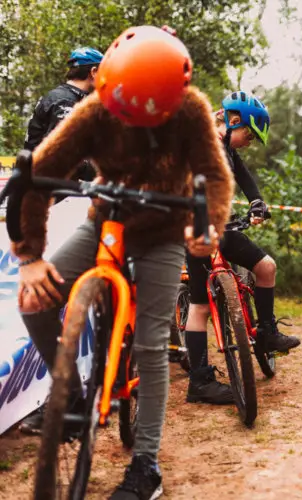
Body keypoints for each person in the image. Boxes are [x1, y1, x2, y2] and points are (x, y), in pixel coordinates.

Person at [13, 25, 234, 499]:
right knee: (34, 300)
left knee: (153, 346)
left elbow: (215, 176)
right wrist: (30, 256)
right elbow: (39, 174)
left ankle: (146, 465)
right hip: (105, 221)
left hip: (163, 233)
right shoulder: (92, 109)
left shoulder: (191, 110)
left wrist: (207, 226)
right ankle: (68, 389)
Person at [183, 91, 301, 405]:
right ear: (234, 121)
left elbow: (244, 175)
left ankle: (266, 332)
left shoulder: (224, 146)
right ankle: (199, 381)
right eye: (248, 135)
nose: (249, 142)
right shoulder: (201, 141)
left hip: (219, 228)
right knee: (199, 307)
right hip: (194, 229)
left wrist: (257, 203)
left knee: (266, 267)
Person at [17, 46, 105, 436]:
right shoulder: (69, 103)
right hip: (68, 199)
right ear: (94, 71)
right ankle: (71, 390)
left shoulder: (53, 97)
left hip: (58, 196)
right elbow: (70, 154)